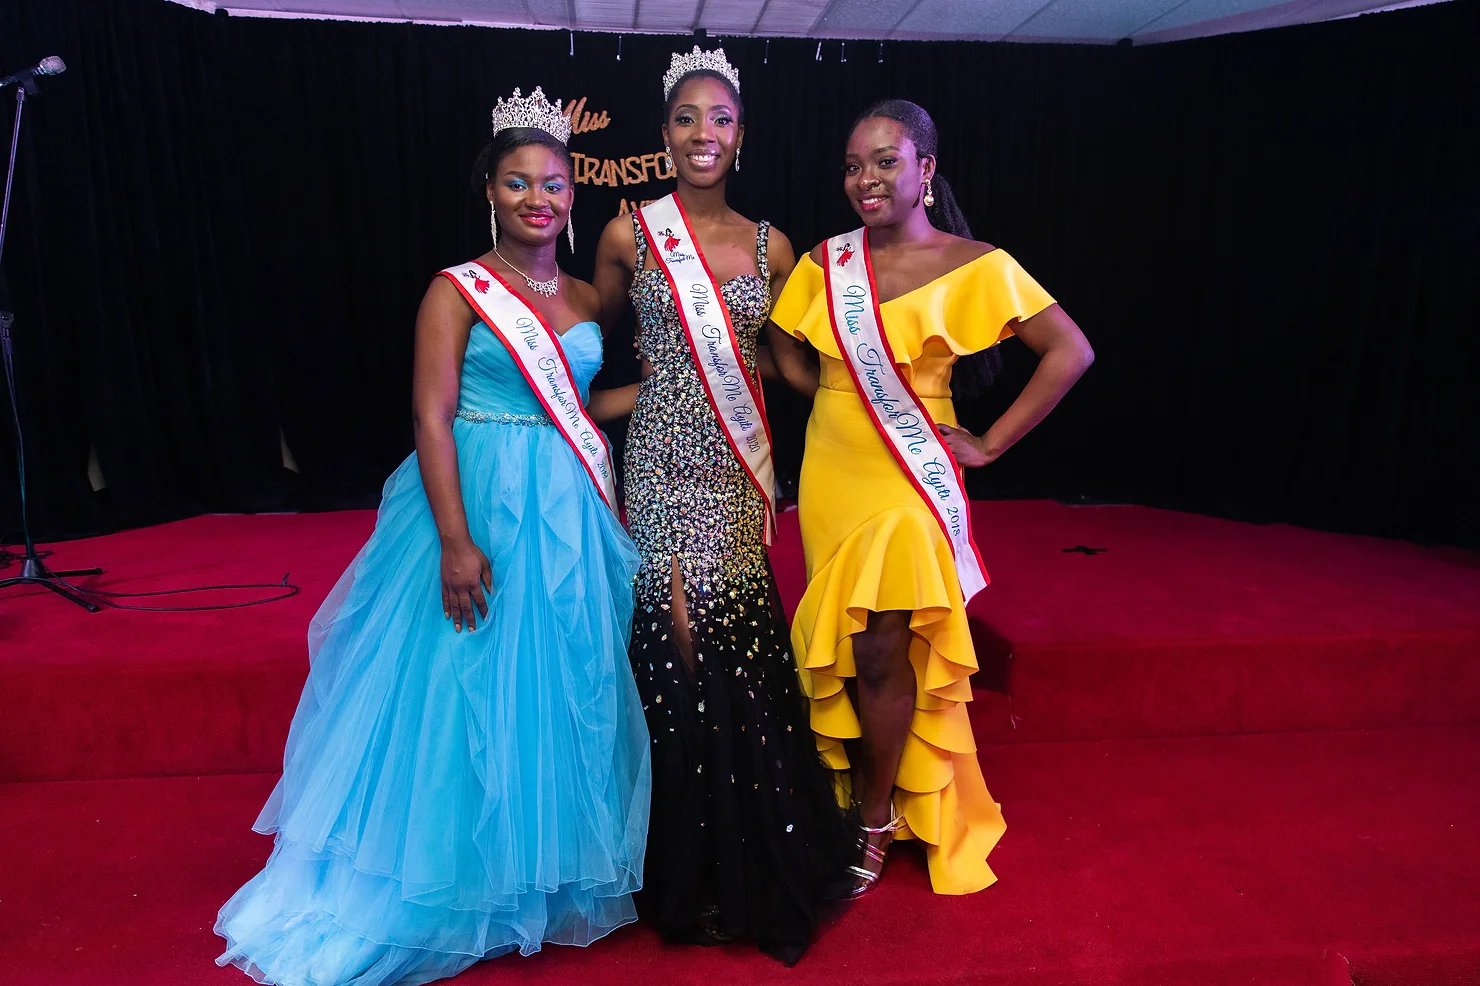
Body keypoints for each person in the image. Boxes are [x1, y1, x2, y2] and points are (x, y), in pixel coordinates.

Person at [214, 87, 650, 986]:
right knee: (465, 690)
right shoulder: (455, 291)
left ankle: (539, 878)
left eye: (556, 185)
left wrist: (668, 393)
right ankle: (454, 879)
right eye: (519, 182)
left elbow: (585, 406)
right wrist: (456, 539)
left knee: (555, 679)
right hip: (480, 498)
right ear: (488, 190)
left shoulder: (583, 294)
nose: (540, 199)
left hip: (566, 506)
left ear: (575, 197)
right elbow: (431, 415)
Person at [767, 99, 1095, 898]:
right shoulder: (824, 264)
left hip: (911, 473)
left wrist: (988, 444)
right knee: (850, 646)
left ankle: (873, 818)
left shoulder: (977, 264)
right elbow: (782, 340)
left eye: (885, 161)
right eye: (852, 164)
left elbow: (1070, 351)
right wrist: (830, 396)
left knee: (882, 643)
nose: (865, 179)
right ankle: (860, 791)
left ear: (926, 171)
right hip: (835, 469)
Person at [590, 46, 850, 966]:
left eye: (722, 119)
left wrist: (874, 389)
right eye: (687, 119)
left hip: (740, 471)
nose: (705, 135)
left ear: (742, 136)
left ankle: (740, 863)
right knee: (675, 645)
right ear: (662, 136)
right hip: (659, 464)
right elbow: (589, 348)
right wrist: (614, 404)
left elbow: (783, 364)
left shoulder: (773, 244)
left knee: (737, 645)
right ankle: (678, 869)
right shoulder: (627, 234)